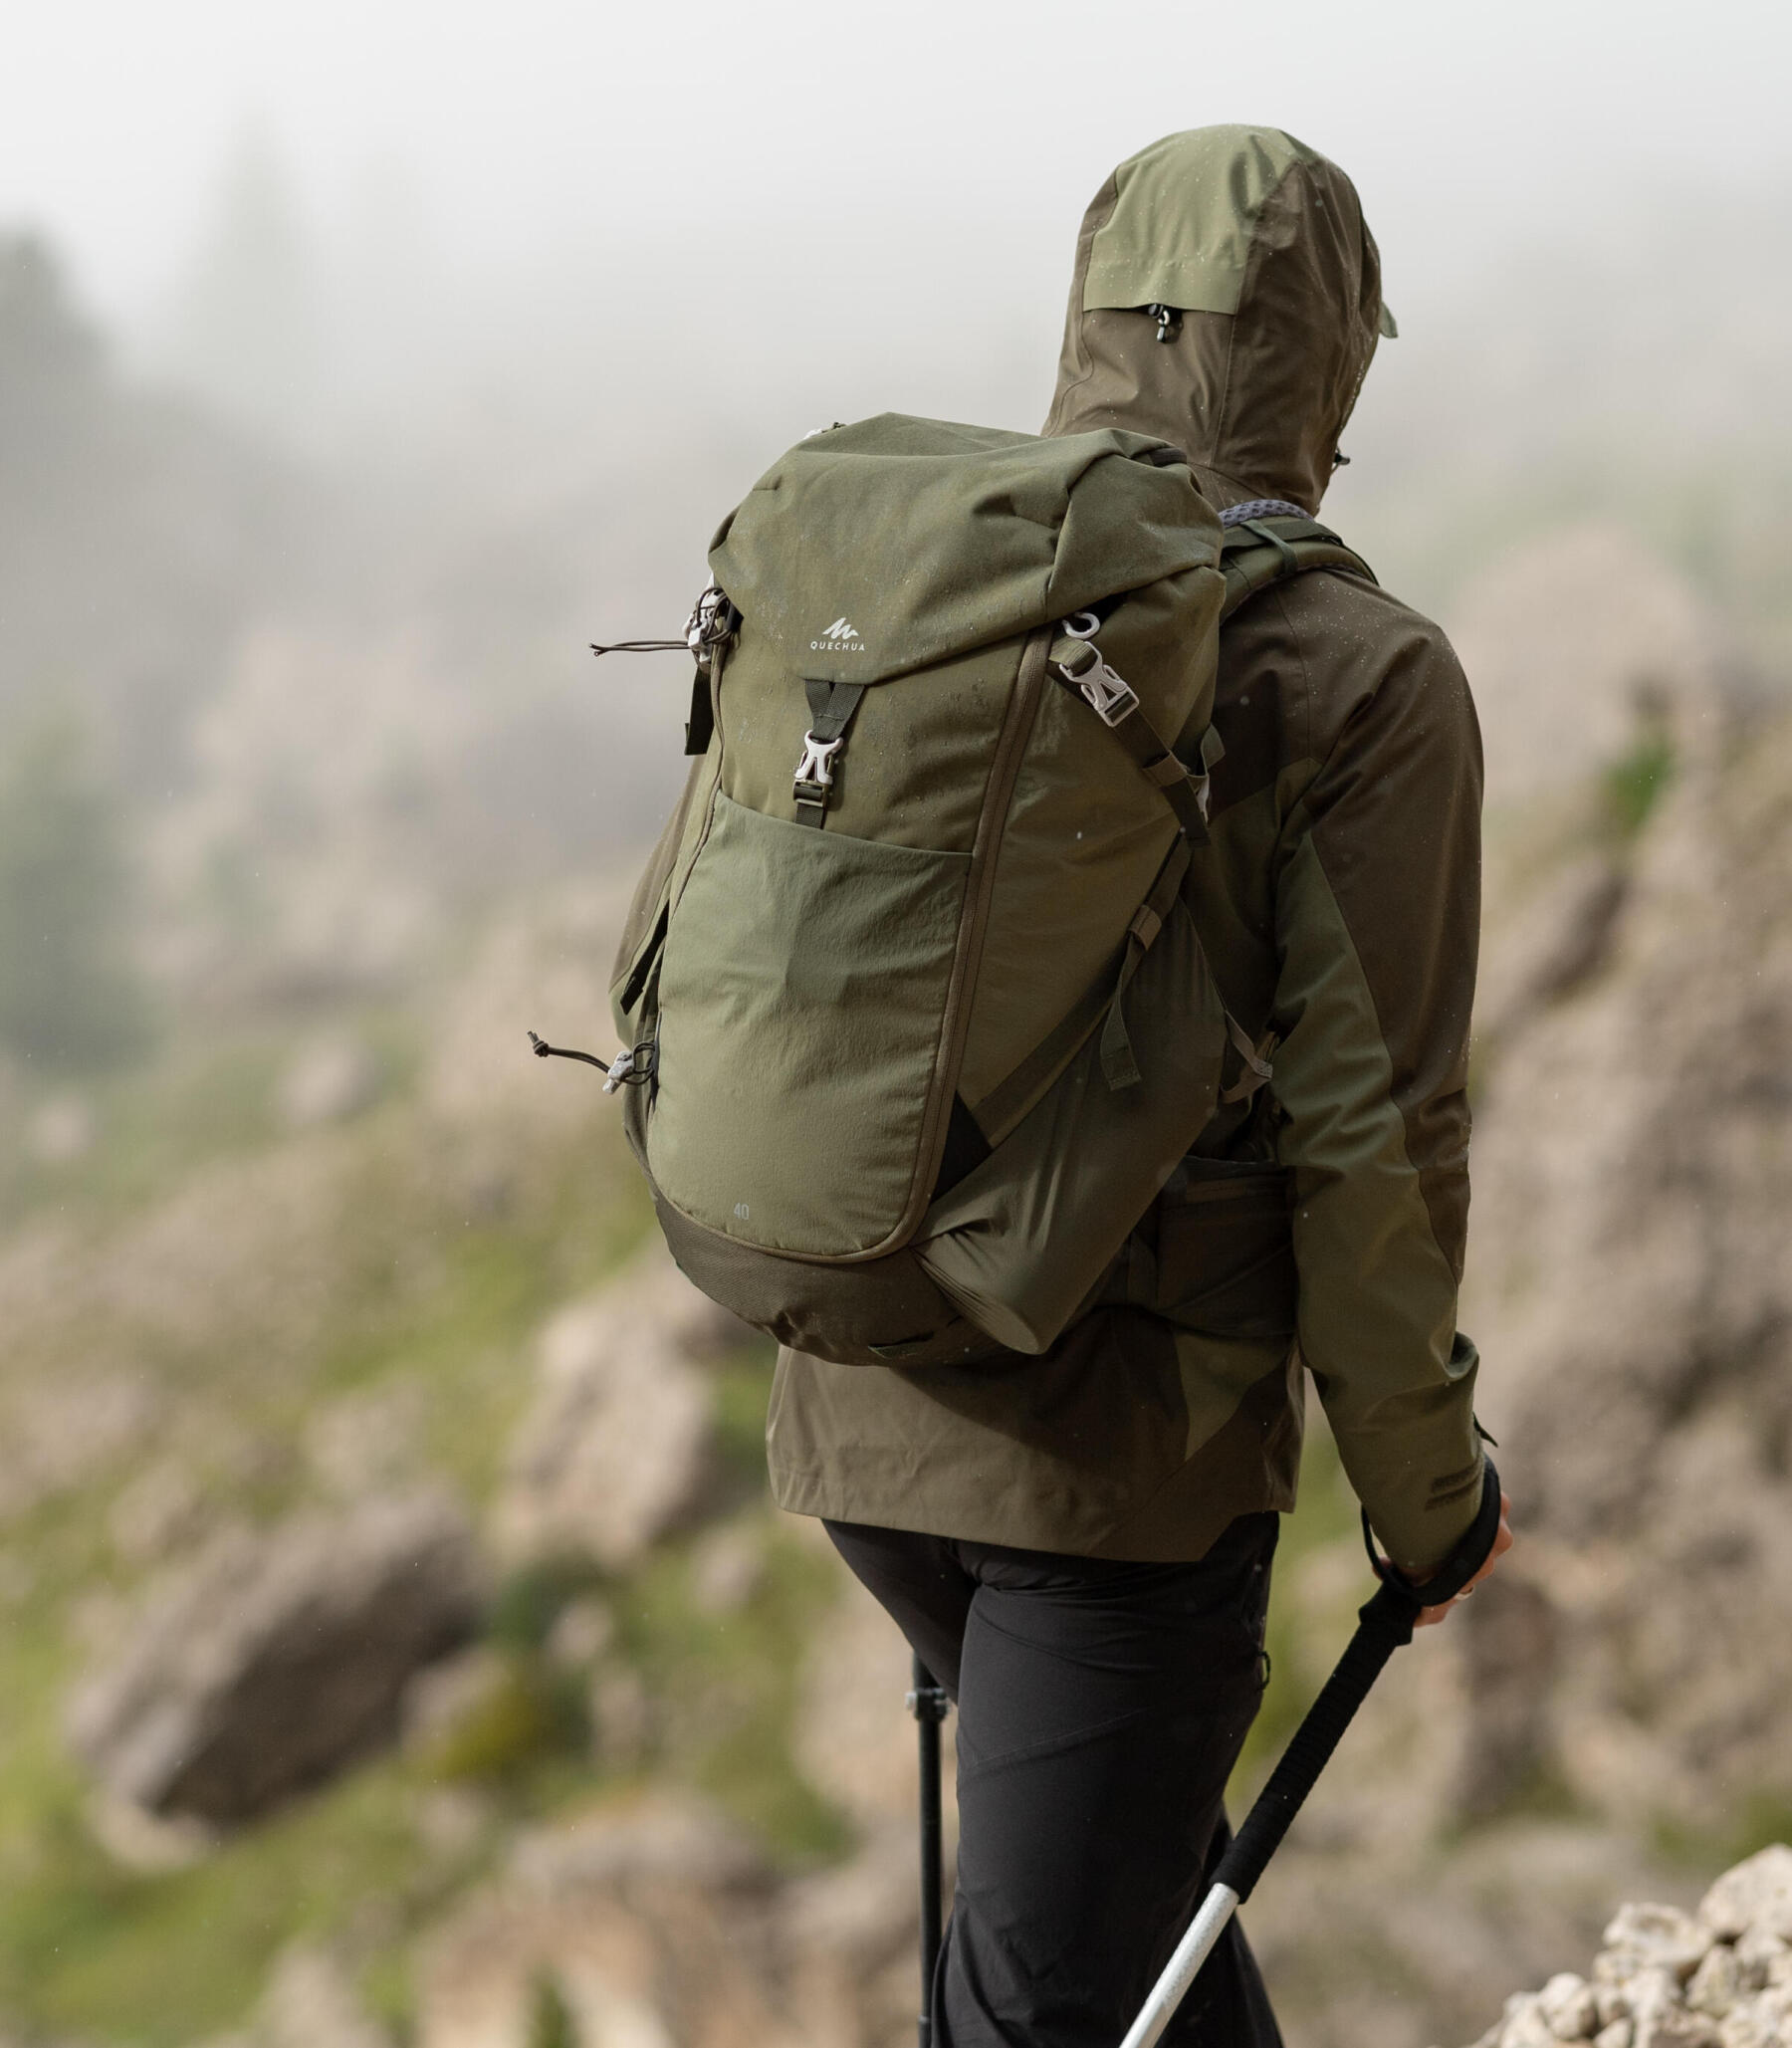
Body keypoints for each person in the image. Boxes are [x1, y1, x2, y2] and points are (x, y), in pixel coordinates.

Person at [764, 124, 1513, 2046]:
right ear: (1326, 363)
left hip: (859, 1391)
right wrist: (1430, 1501)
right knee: (1057, 1999)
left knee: (1127, 1931)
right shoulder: (1360, 675)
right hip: (1113, 1489)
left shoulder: (964, 591)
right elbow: (1375, 1146)